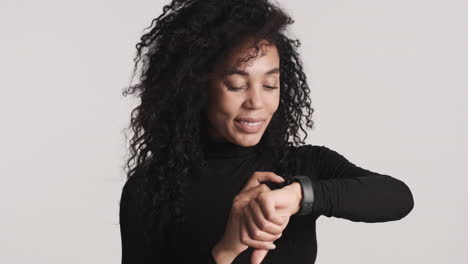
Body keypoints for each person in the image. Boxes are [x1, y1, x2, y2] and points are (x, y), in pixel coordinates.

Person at [118, 0, 415, 263]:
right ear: (197, 87)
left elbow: (398, 197)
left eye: (270, 85)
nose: (256, 102)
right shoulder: (151, 189)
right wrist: (226, 250)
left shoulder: (299, 166)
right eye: (237, 85)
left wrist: (299, 196)